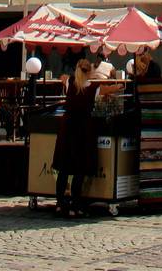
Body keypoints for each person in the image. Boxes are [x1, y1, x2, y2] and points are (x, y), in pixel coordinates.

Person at [53, 58, 99, 216]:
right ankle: (75, 205)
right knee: (80, 169)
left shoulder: (69, 83)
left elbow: (62, 77)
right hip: (83, 130)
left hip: (67, 129)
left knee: (64, 169)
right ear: (90, 71)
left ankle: (59, 204)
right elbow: (110, 89)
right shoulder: (93, 87)